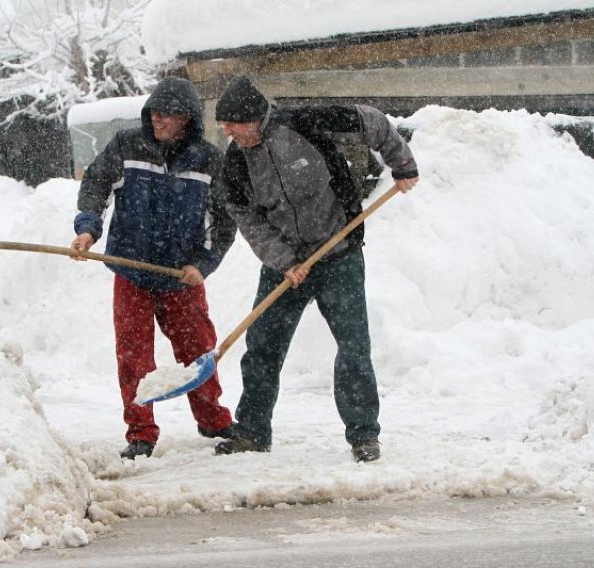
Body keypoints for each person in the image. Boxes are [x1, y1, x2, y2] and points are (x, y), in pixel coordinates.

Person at [213, 76, 419, 462]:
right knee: (262, 347)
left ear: (255, 117)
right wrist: (284, 261)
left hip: (339, 253)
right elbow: (247, 217)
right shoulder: (237, 160)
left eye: (232, 123)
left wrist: (402, 163)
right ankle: (253, 431)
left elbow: (371, 120)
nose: (227, 131)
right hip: (286, 263)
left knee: (353, 347)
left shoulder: (306, 122)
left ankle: (363, 435)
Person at [71, 77, 237, 460]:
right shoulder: (127, 145)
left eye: (168, 114)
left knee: (198, 350)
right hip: (132, 271)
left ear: (187, 119)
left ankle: (213, 419)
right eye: (155, 113)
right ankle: (141, 432)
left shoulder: (208, 159)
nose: (158, 120)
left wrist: (204, 264)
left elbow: (225, 219)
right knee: (133, 356)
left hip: (181, 276)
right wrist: (87, 230)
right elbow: (95, 186)